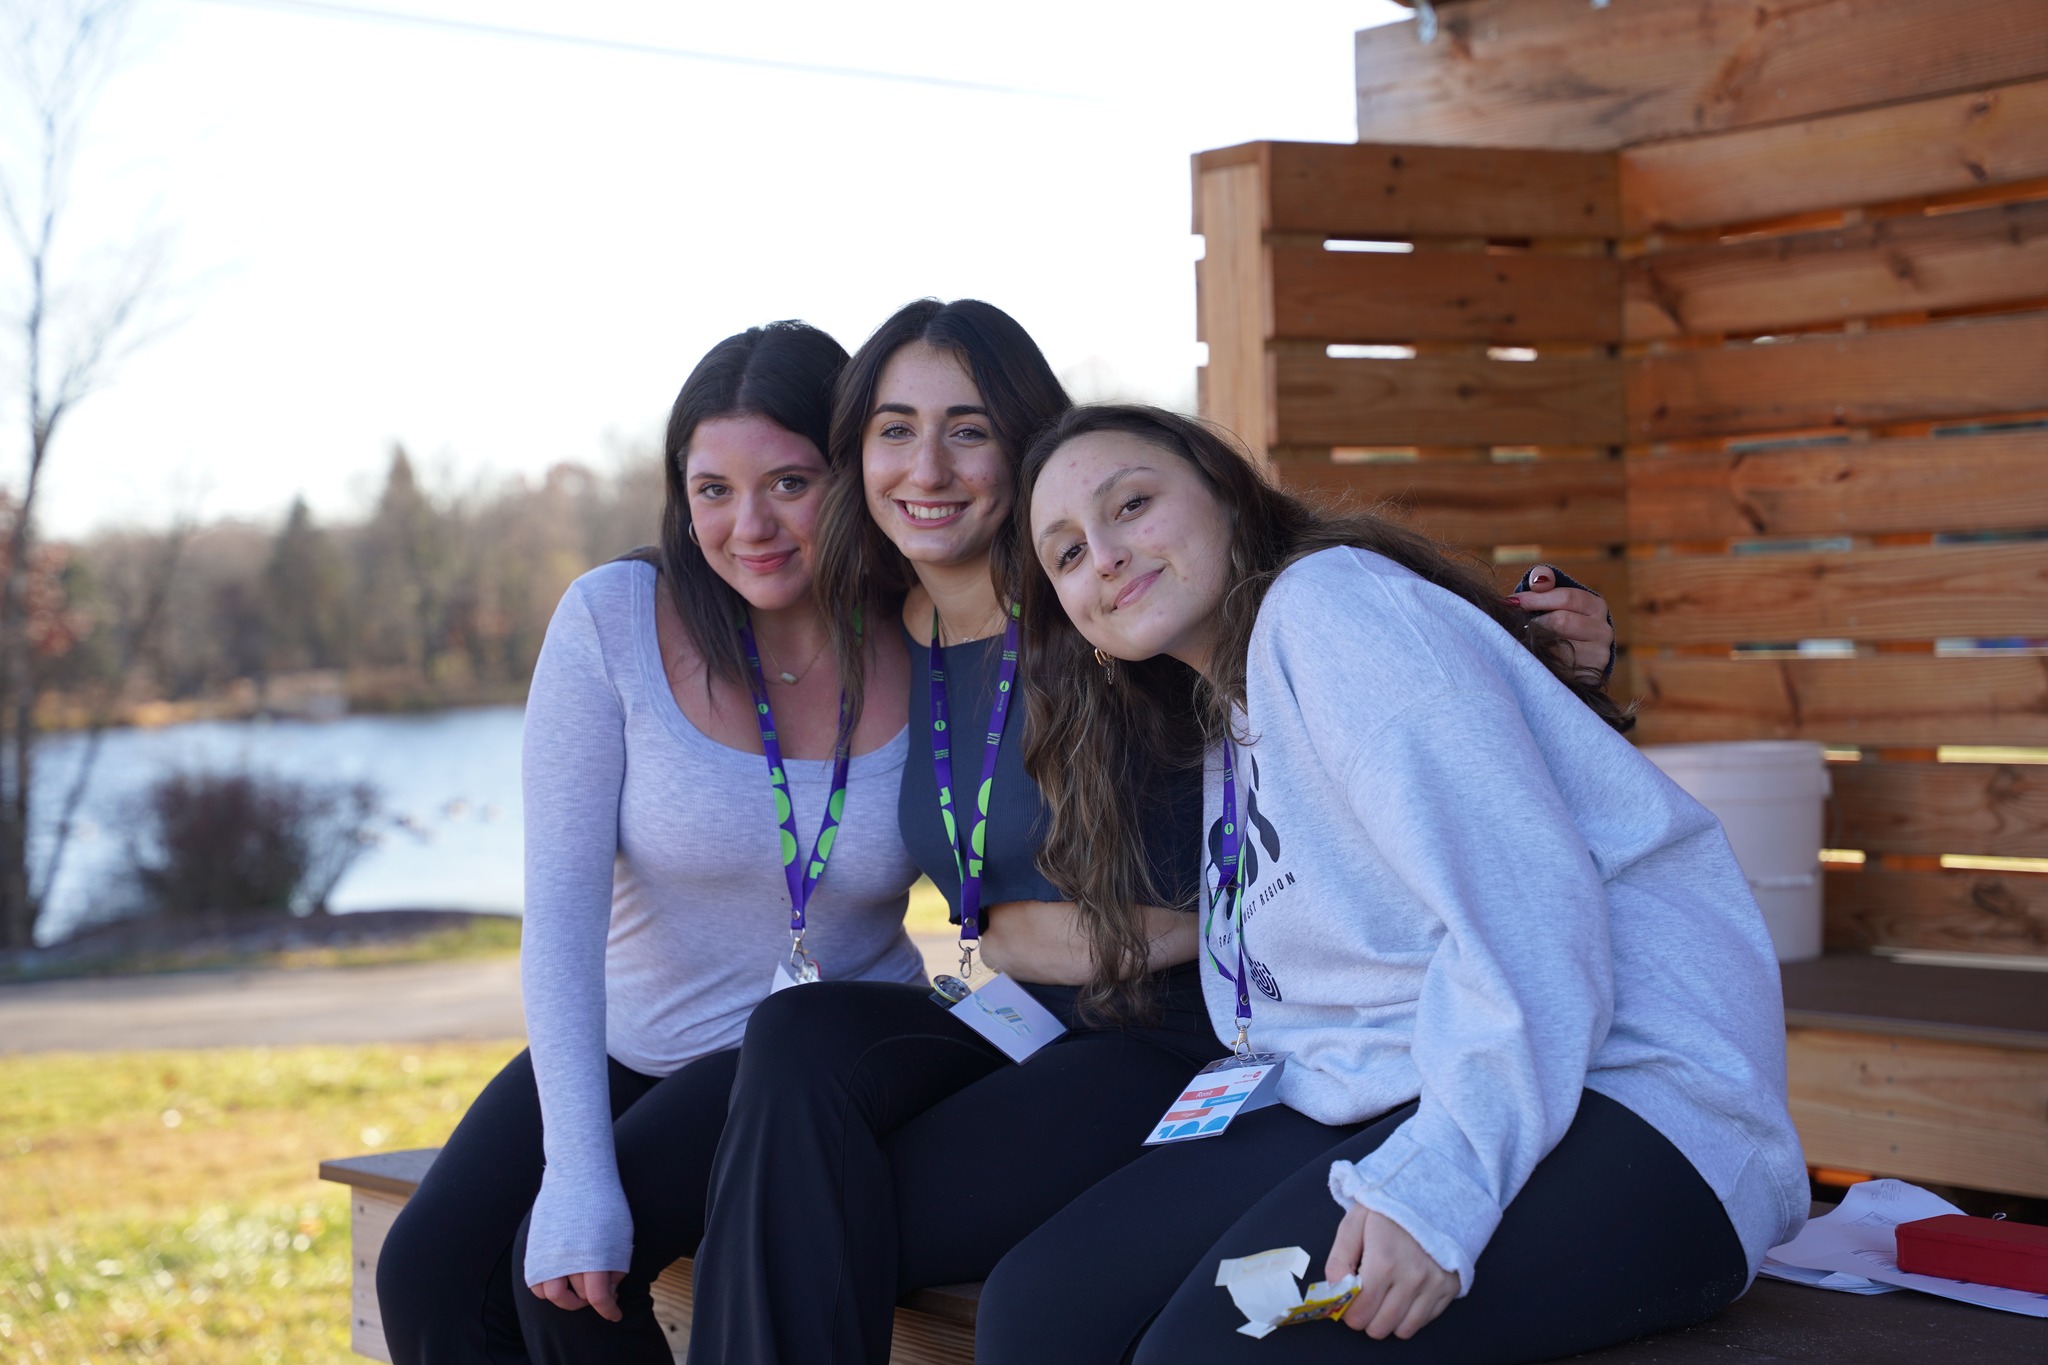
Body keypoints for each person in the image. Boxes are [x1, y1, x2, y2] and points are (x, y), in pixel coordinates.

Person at [682, 302, 1623, 1365]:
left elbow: (1341, 714)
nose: (927, 465)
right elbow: (740, 561)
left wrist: (1554, 652)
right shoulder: (889, 624)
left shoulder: (1122, 618)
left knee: (831, 1225)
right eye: (894, 429)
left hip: (1175, 1029)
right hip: (1010, 1015)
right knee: (790, 1054)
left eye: (969, 427)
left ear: (1025, 444)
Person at [981, 404, 1807, 1364]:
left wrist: (1437, 1184)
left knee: (1215, 1352)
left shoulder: (1331, 607)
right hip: (1410, 1087)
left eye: (1132, 504)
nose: (1107, 555)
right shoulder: (1228, 715)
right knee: (1042, 1307)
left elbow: (1529, 913)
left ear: (1232, 499)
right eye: (1069, 553)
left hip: (1633, 1098)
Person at [374, 321, 927, 1365]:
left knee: (575, 1288)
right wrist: (573, 1168)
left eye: (789, 484)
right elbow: (565, 911)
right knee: (426, 1271)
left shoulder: (928, 632)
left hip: (815, 1056)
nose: (747, 525)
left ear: (851, 475)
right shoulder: (615, 621)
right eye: (710, 489)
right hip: (628, 1041)